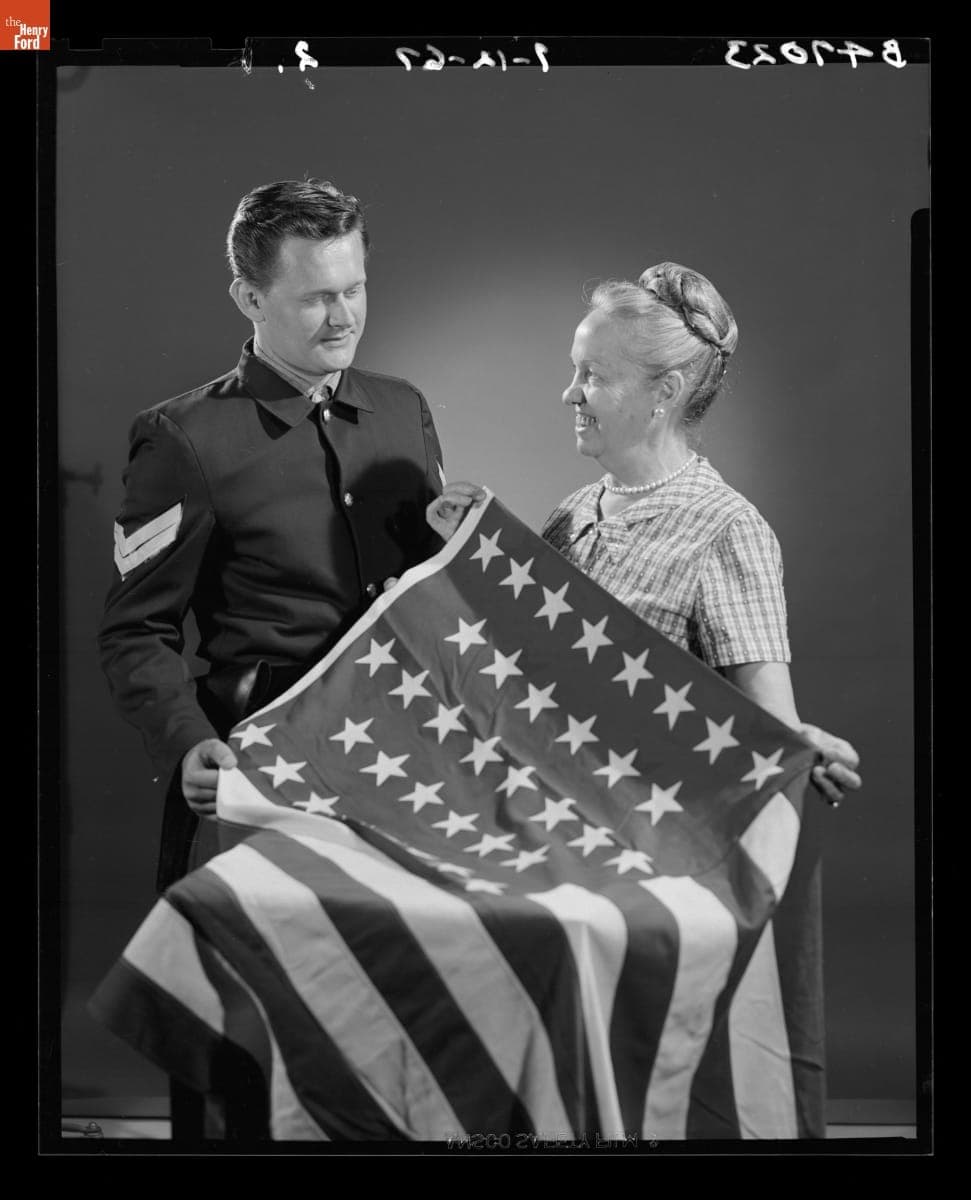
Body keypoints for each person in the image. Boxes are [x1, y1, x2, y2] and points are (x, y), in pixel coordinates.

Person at [98, 178, 445, 1137]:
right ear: (250, 300)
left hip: (395, 779)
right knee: (239, 1056)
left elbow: (428, 599)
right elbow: (135, 628)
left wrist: (461, 544)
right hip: (253, 777)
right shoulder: (184, 441)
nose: (346, 317)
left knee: (392, 1041)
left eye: (357, 287)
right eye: (316, 297)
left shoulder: (403, 410)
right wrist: (184, 743)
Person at [427, 261, 861, 802]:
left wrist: (800, 745)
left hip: (644, 828)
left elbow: (769, 723)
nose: (570, 394)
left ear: (667, 391)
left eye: (594, 376)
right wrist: (471, 555)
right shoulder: (572, 514)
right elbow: (528, 671)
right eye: (575, 371)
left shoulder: (727, 529)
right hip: (541, 806)